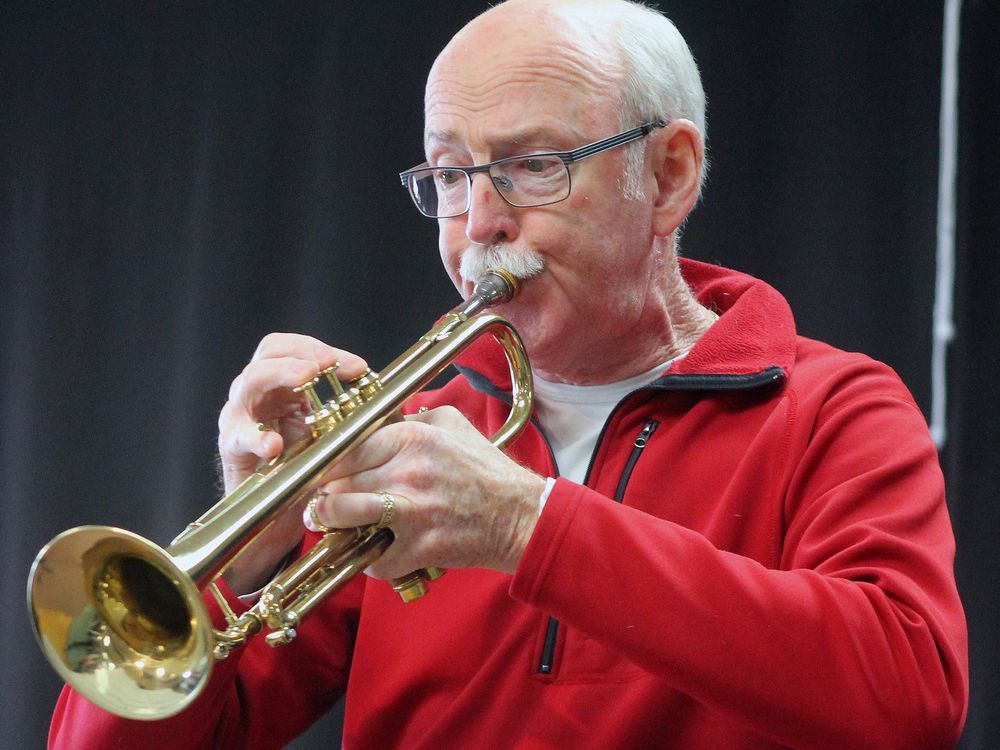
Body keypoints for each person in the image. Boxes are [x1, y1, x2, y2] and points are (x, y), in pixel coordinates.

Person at [49, 0, 968, 747]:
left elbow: (911, 697)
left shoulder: (836, 408)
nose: (478, 221)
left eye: (533, 166)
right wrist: (246, 558)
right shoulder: (408, 438)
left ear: (671, 174)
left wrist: (529, 527)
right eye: (451, 175)